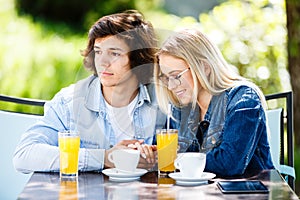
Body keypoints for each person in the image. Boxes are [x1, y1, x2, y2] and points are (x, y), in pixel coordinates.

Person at [13, 10, 165, 173]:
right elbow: (24, 155)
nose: (102, 62)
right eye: (98, 51)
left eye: (114, 53)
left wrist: (158, 160)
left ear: (137, 58)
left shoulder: (164, 100)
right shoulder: (69, 102)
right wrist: (103, 158)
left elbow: (187, 155)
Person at [154, 29, 274, 176]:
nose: (171, 86)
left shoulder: (243, 99)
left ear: (204, 67)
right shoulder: (181, 108)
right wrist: (149, 155)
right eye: (166, 78)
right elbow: (163, 153)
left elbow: (229, 163)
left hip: (248, 192)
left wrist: (175, 159)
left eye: (176, 76)